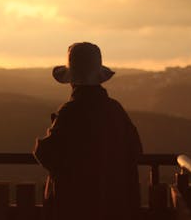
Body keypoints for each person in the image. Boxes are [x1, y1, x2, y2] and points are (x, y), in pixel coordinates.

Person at [33, 42, 143, 220]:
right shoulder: (115, 110)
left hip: (74, 208)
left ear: (71, 80)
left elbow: (46, 153)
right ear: (99, 76)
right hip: (114, 207)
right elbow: (135, 150)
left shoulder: (69, 112)